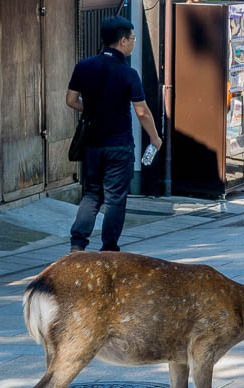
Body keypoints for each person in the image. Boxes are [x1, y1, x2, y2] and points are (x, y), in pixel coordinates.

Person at [67, 16, 161, 253]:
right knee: (115, 199)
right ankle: (108, 249)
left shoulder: (84, 66)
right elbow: (142, 112)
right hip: (118, 145)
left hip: (92, 145)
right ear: (122, 41)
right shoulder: (127, 73)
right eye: (132, 39)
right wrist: (155, 138)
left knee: (91, 195)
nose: (133, 43)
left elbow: (70, 100)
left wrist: (91, 109)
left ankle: (77, 245)